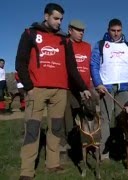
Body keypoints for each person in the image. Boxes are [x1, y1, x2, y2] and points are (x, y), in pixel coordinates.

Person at [15, 3, 91, 179]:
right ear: (46, 16)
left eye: (61, 19)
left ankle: (53, 163)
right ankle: (26, 171)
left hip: (60, 91)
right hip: (37, 90)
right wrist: (29, 87)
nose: (59, 22)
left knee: (56, 128)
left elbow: (72, 68)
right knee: (32, 129)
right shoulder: (30, 33)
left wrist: (83, 88)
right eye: (56, 18)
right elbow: (20, 61)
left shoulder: (64, 40)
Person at [90, 18, 128, 160]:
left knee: (123, 118)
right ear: (108, 30)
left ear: (122, 30)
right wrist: (98, 83)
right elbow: (94, 65)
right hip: (105, 88)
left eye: (119, 31)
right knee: (105, 119)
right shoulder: (100, 45)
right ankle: (103, 153)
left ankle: (122, 149)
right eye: (113, 30)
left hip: (124, 88)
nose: (116, 33)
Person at [59, 20, 92, 153]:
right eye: (78, 30)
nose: (81, 33)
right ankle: (64, 145)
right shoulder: (64, 44)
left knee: (84, 115)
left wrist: (87, 86)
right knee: (67, 118)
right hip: (67, 87)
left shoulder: (87, 46)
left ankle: (84, 143)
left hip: (84, 87)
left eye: (83, 31)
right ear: (70, 30)